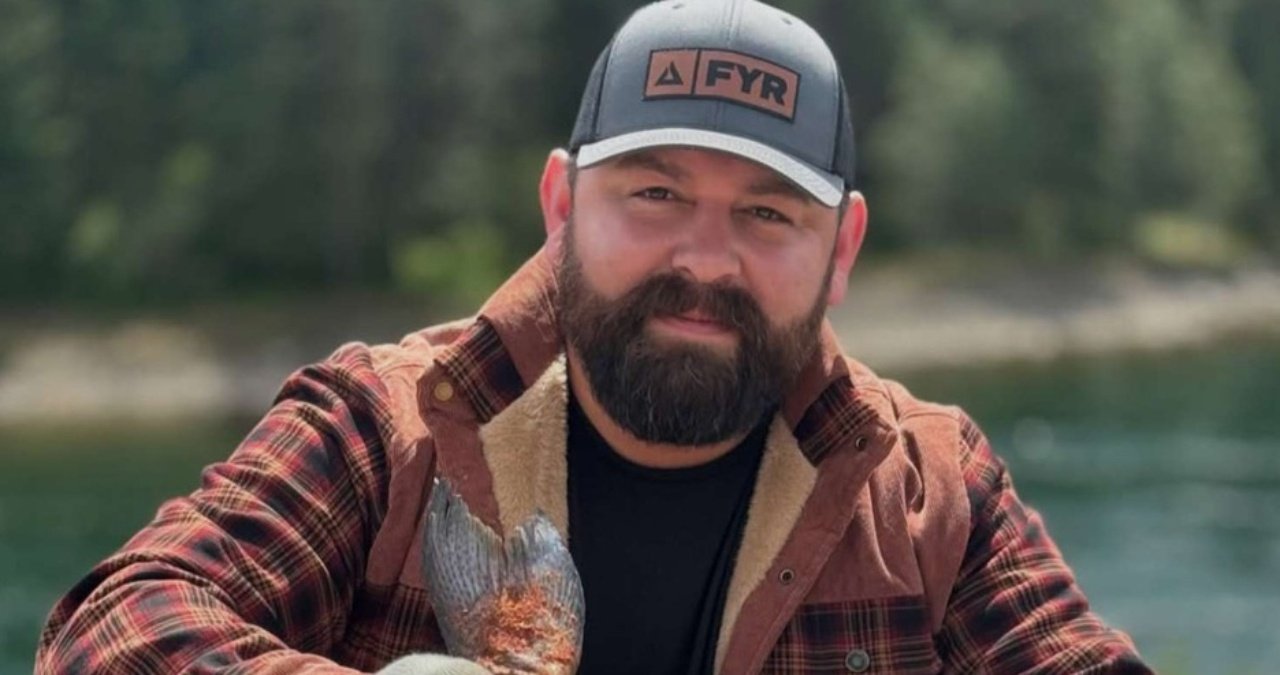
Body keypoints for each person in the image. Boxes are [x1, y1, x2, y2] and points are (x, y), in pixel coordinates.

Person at [36, 1, 1152, 673]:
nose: (704, 260)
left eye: (766, 214)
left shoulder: (931, 496)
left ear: (841, 247)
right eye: (654, 194)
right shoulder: (383, 427)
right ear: (561, 206)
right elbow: (109, 631)